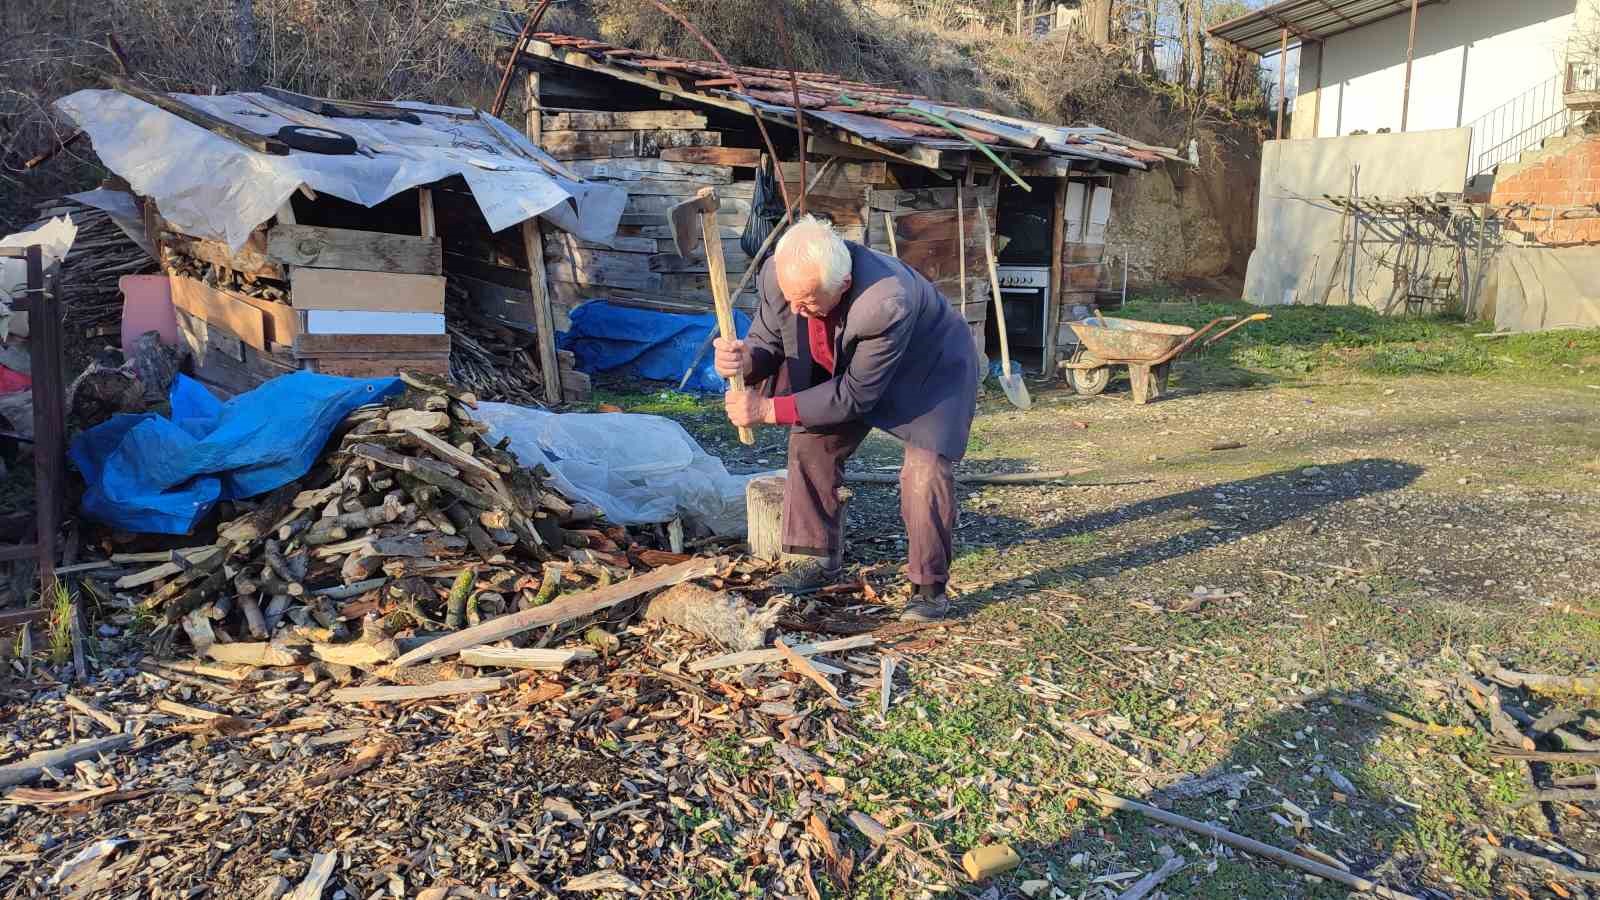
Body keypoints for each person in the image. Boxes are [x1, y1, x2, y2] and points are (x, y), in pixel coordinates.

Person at [716, 215, 979, 621]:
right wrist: (742, 362)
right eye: (793, 300)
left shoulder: (885, 301)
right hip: (847, 362)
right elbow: (768, 340)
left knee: (924, 472)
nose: (799, 312)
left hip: (929, 371)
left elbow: (855, 395)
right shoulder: (780, 274)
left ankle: (928, 587)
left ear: (842, 285)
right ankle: (814, 558)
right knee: (811, 440)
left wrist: (767, 409)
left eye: (809, 302)